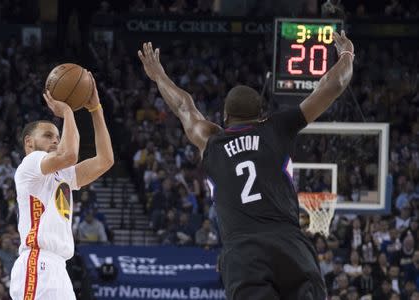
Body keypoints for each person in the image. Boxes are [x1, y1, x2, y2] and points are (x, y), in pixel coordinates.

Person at [138, 30, 354, 299]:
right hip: (289, 244)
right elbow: (333, 86)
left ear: (225, 117)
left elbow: (184, 106)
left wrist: (159, 75)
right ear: (262, 115)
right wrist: (346, 54)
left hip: (243, 252)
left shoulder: (211, 140)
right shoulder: (277, 127)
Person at [9, 73, 114, 300]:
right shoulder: (31, 163)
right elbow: (70, 154)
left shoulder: (63, 174)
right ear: (29, 142)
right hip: (37, 263)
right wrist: (68, 111)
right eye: (48, 136)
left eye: (58, 136)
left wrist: (96, 109)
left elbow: (105, 160)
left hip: (58, 267)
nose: (55, 140)